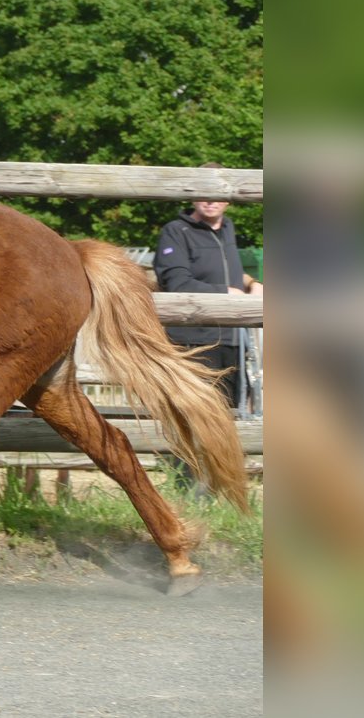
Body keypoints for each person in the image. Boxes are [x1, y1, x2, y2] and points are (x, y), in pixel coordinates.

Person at [153, 164, 263, 490]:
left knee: (228, 417)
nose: (211, 201)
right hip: (193, 340)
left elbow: (228, 274)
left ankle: (222, 490)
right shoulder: (176, 231)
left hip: (230, 338)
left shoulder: (227, 230)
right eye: (204, 193)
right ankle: (187, 493)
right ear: (192, 195)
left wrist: (251, 283)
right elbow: (176, 281)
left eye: (218, 195)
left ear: (228, 199)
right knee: (191, 417)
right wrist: (226, 295)